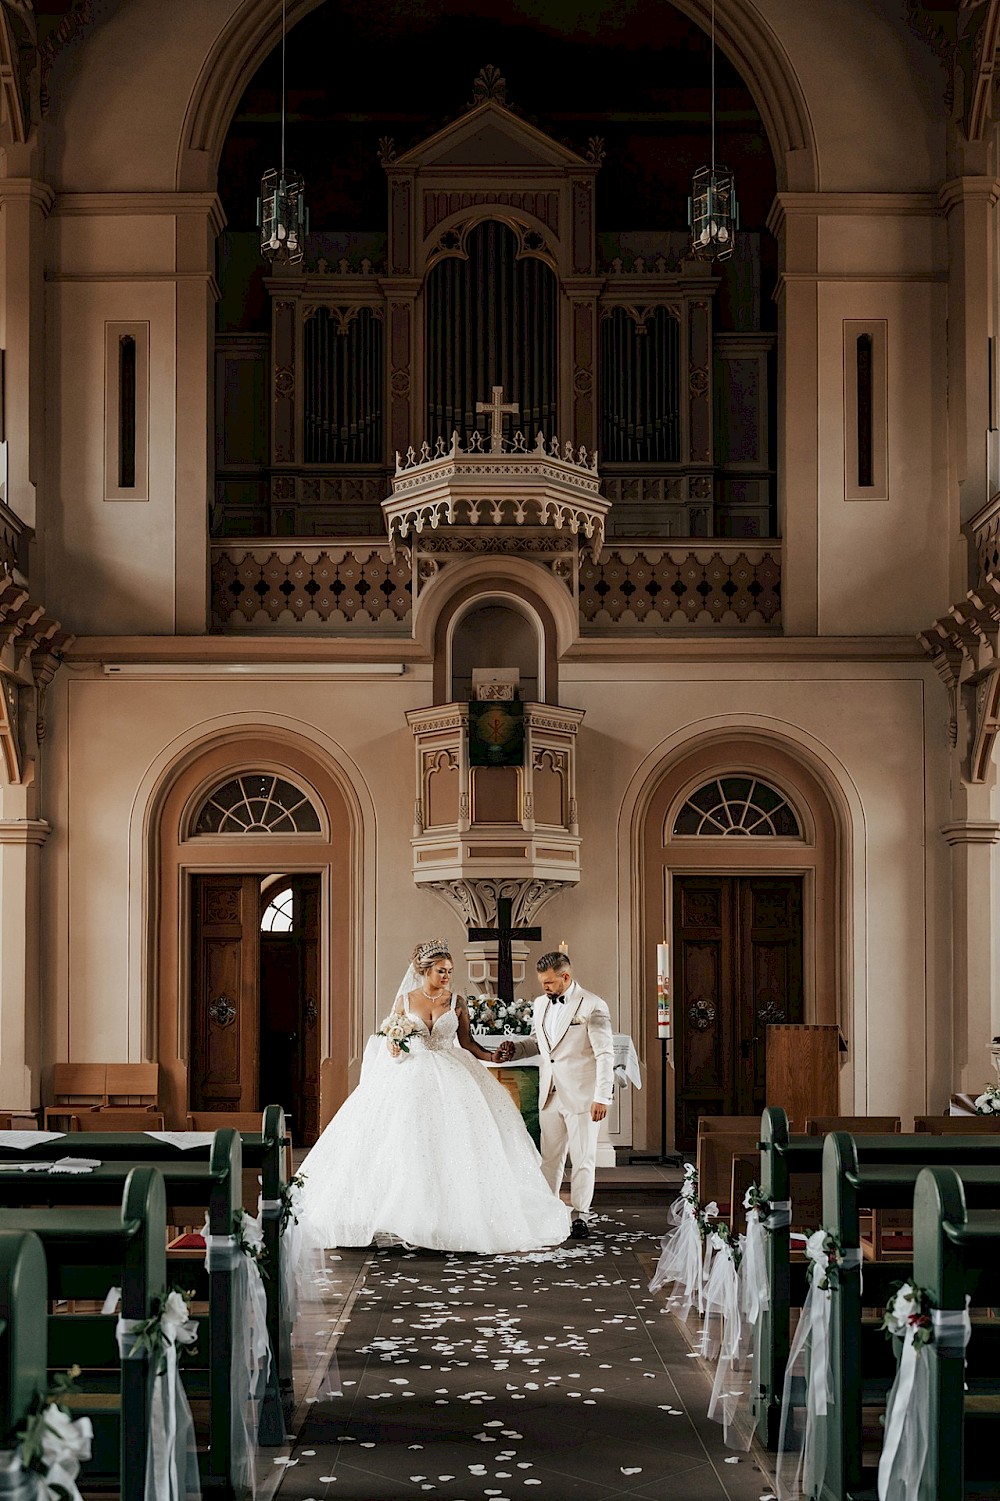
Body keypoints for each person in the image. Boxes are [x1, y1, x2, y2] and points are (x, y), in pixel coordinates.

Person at [295, 939, 571, 1254]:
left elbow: (467, 1043)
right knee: (401, 1143)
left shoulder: (457, 1002)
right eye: (441, 971)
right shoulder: (404, 1000)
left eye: (450, 971)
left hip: (451, 1073)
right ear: (424, 970)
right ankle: (394, 1218)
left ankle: (449, 1221)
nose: (446, 977)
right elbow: (389, 1039)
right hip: (408, 1075)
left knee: (453, 1143)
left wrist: (492, 1058)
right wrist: (394, 1045)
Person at [495, 950, 614, 1240]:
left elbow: (605, 1052)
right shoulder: (539, 1004)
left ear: (566, 977)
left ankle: (580, 1215)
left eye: (549, 982)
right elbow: (540, 1042)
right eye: (542, 983)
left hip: (583, 1094)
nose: (544, 988)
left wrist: (602, 1096)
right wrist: (516, 1048)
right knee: (549, 1157)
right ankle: (546, 1210)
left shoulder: (593, 1005)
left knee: (583, 1157)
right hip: (550, 1094)